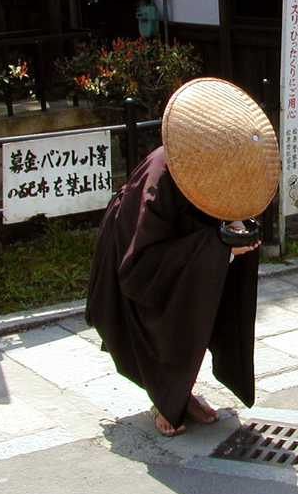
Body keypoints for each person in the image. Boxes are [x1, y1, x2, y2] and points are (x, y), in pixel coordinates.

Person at [85, 78, 280, 437]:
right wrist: (217, 247)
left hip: (182, 251)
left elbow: (221, 207)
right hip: (139, 252)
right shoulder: (164, 171)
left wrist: (235, 229)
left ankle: (179, 392)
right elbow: (141, 266)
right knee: (166, 317)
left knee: (200, 304)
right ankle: (166, 396)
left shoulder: (216, 168)